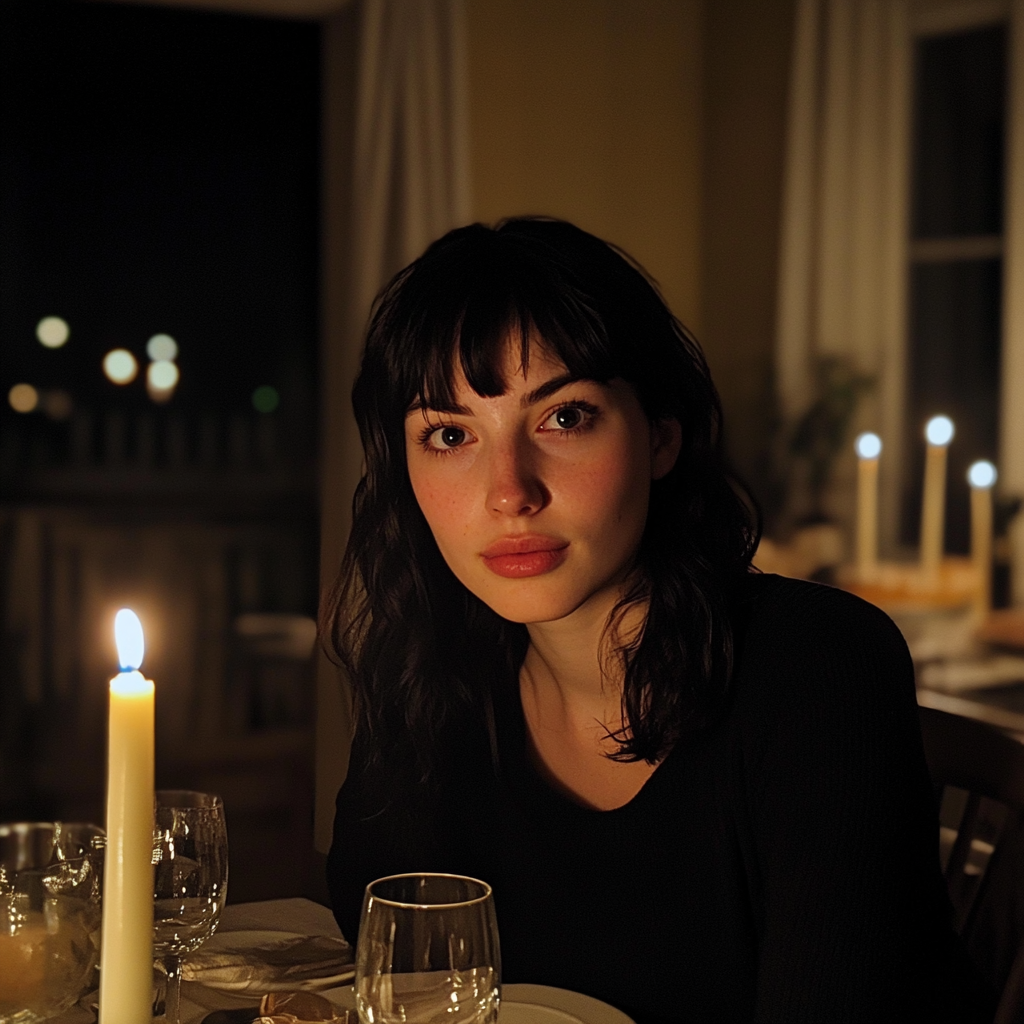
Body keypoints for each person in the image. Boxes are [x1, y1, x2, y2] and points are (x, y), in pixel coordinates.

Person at [323, 218, 985, 1023]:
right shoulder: (430, 677)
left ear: (661, 435)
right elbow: (383, 984)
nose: (509, 492)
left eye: (563, 418)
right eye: (450, 434)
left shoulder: (819, 667)